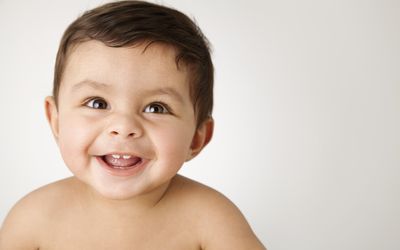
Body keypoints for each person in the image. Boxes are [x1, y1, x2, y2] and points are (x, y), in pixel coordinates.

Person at [0, 1, 265, 249]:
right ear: (56, 120)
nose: (124, 126)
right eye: (97, 103)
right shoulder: (34, 217)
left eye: (156, 108)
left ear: (197, 138)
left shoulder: (210, 219)